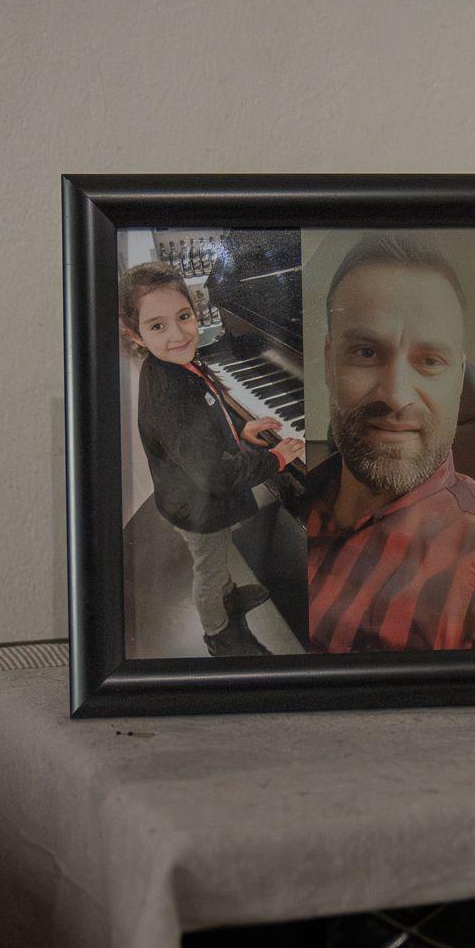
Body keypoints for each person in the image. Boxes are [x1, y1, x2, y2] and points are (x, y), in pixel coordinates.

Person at [301, 234, 475, 652]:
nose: (395, 395)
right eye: (365, 352)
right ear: (328, 362)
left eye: (430, 361)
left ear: (458, 379)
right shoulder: (293, 498)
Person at [124, 261, 305, 656]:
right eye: (158, 326)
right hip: (197, 508)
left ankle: (229, 595)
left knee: (218, 557)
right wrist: (274, 458)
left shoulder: (173, 365)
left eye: (184, 316)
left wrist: (241, 432)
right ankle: (219, 632)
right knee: (208, 569)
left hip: (196, 497)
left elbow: (206, 425)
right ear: (134, 334)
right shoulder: (169, 392)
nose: (179, 334)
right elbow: (215, 475)